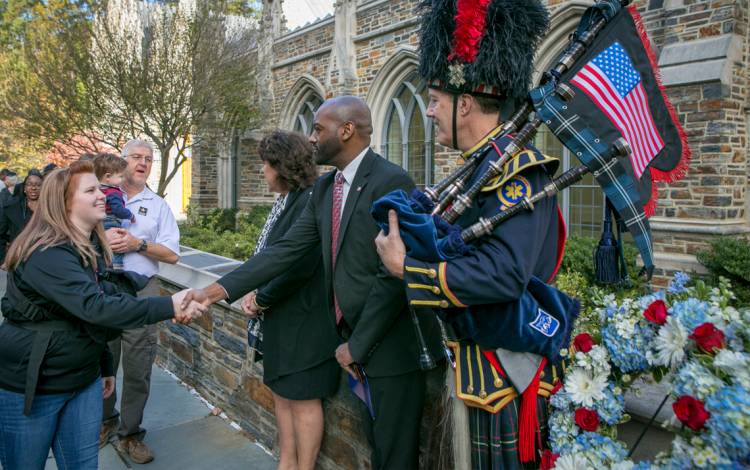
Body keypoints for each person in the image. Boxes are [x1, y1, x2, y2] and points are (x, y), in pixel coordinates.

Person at [181, 96, 442, 469]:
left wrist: (358, 344)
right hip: (355, 344)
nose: (312, 138)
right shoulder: (325, 191)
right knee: (375, 446)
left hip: (391, 348)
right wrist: (210, 292)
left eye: (318, 128)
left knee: (395, 455)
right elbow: (282, 253)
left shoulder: (390, 179)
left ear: (347, 130)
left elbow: (393, 276)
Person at [375, 1, 567, 468]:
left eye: (435, 100)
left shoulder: (518, 172)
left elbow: (505, 275)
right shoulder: (481, 168)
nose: (429, 111)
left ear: (465, 103)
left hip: (503, 378)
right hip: (473, 369)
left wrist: (409, 268)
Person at [0, 161, 205, 470]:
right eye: (91, 190)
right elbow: (96, 307)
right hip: (34, 386)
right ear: (65, 201)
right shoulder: (47, 253)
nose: (104, 196)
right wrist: (170, 305)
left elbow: (89, 315)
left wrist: (103, 365)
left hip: (82, 380)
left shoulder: (87, 247)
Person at [233, 130, 339, 470]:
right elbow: (269, 255)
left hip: (306, 323)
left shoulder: (311, 199)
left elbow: (300, 264)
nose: (263, 171)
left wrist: (261, 298)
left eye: (265, 164)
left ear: (282, 166)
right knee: (281, 393)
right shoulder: (288, 199)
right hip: (282, 321)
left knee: (304, 400)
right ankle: (287, 462)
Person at [100, 140, 180, 463]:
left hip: (142, 290)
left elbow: (172, 253)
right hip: (104, 288)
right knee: (101, 356)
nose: (143, 163)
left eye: (148, 159)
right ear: (122, 161)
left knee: (137, 365)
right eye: (136, 157)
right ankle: (106, 421)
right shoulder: (98, 195)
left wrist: (137, 244)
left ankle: (130, 433)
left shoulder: (158, 205)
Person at [93, 153, 136, 270]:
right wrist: (130, 215)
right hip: (111, 220)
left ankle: (102, 264)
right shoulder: (113, 192)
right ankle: (116, 266)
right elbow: (118, 210)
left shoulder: (96, 189)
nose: (123, 180)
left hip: (98, 222)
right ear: (107, 176)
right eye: (120, 176)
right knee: (118, 243)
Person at [0, 169, 42, 264]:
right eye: (30, 184)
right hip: (18, 261)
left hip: (42, 260)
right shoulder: (11, 208)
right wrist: (3, 259)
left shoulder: (50, 209)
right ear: (24, 188)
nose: (33, 188)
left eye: (38, 185)